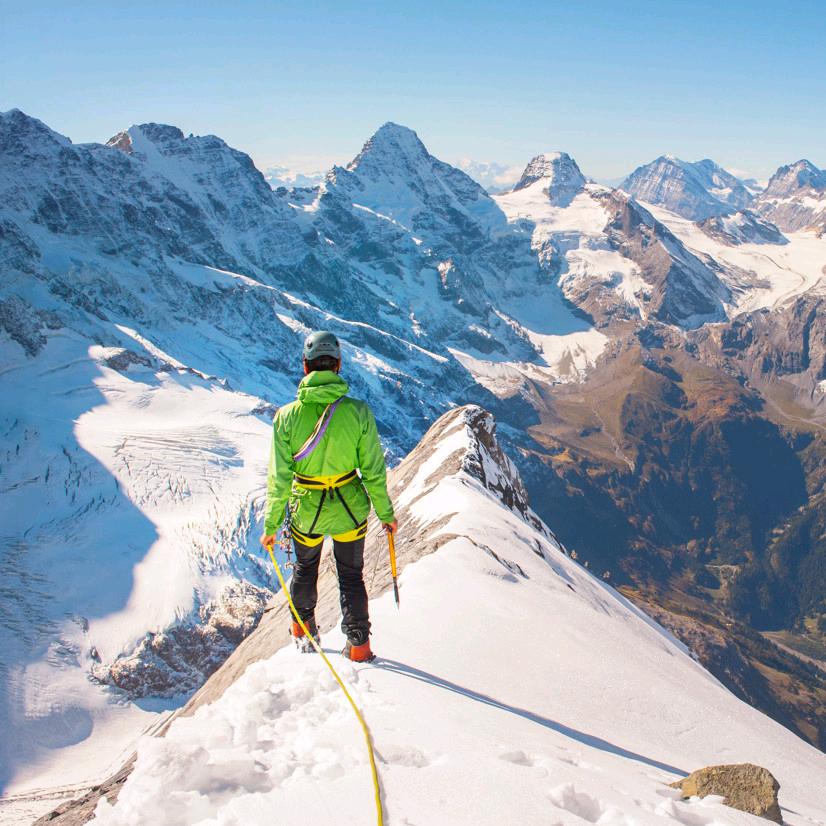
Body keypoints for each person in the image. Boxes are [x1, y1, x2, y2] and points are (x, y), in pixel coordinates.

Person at [261, 330, 397, 662]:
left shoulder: (286, 417)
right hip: (350, 508)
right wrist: (386, 514)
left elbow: (279, 478)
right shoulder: (359, 412)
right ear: (337, 365)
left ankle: (302, 631)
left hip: (307, 510)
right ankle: (360, 645)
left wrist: (271, 525)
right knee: (351, 575)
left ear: (305, 367)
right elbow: (374, 471)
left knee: (305, 570)